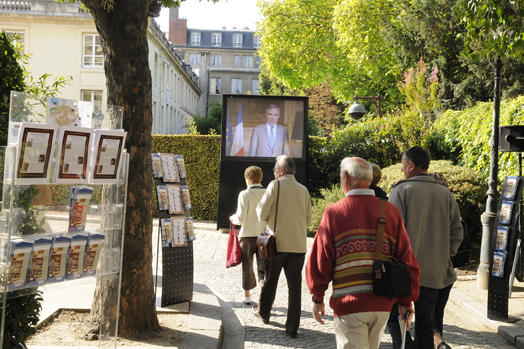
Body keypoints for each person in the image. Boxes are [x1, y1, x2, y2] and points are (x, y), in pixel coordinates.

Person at [306, 157, 420, 349]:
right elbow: (406, 258)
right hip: (382, 304)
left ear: (345, 177)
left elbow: (321, 259)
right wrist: (406, 301)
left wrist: (318, 297)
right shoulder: (390, 211)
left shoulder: (334, 213)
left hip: (349, 304)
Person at [387, 146, 463, 349]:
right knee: (426, 326)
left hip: (404, 274)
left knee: (398, 321)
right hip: (434, 272)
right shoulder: (445, 194)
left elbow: (390, 234)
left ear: (411, 165)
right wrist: (444, 256)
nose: (402, 169)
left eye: (403, 165)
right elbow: (457, 231)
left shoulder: (401, 190)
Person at [252, 155, 312, 338]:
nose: (273, 172)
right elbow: (309, 221)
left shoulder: (274, 185)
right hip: (298, 245)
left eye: (274, 169)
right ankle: (292, 326)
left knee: (270, 280)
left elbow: (261, 213)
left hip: (276, 244)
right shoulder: (304, 190)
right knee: (295, 287)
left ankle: (264, 313)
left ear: (282, 170)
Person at [229, 166, 267, 304]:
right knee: (264, 268)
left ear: (248, 179)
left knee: (247, 266)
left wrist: (232, 218)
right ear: (260, 178)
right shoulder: (268, 193)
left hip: (247, 236)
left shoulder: (244, 194)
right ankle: (264, 296)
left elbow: (240, 219)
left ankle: (247, 296)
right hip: (264, 236)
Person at [427, 172, 454, 349]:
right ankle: (438, 342)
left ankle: (438, 343)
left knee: (427, 315)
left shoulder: (426, 203)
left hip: (427, 268)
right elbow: (457, 232)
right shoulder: (450, 201)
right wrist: (448, 253)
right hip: (446, 268)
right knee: (438, 313)